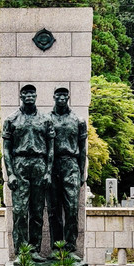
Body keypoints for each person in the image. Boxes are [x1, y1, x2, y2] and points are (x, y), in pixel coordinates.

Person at [2, 85, 53, 255]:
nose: (29, 96)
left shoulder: (45, 120)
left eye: (32, 93)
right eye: (26, 93)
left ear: (36, 96)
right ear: (21, 96)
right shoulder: (11, 120)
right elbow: (6, 150)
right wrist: (10, 173)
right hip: (20, 164)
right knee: (20, 211)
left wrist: (48, 171)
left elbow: (50, 148)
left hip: (39, 164)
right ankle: (21, 252)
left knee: (37, 212)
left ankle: (34, 251)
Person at [48, 87, 87, 255]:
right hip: (53, 164)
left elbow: (83, 149)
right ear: (54, 97)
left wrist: (82, 172)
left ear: (69, 97)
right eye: (59, 95)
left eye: (65, 95)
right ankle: (57, 248)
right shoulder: (47, 119)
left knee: (71, 209)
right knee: (53, 210)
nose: (62, 97)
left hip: (71, 165)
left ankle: (70, 248)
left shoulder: (78, 120)